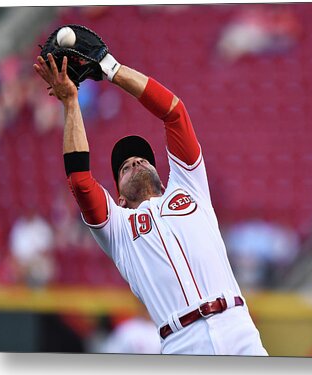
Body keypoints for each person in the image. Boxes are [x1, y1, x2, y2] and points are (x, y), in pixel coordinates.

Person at [33, 49, 268, 355]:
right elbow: (80, 181)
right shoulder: (117, 229)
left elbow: (174, 112)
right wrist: (71, 103)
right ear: (118, 195)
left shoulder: (189, 186)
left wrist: (113, 69)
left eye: (142, 158)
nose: (136, 162)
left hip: (237, 327)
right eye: (125, 166)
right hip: (182, 342)